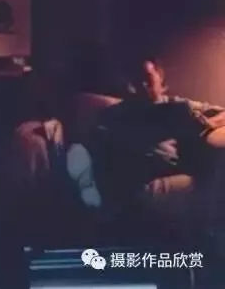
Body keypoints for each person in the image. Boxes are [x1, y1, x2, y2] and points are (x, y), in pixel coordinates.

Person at [83, 56, 225, 226]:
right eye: (137, 80)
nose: (143, 85)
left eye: (148, 78)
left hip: (170, 177)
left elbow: (221, 113)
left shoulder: (178, 106)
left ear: (160, 77)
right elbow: (94, 145)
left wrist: (205, 121)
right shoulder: (116, 114)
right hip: (135, 185)